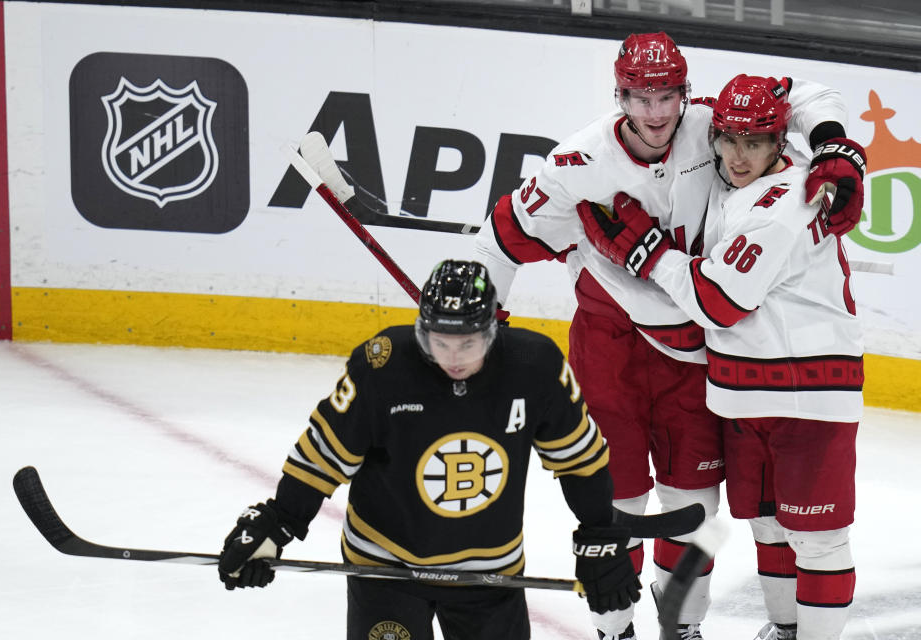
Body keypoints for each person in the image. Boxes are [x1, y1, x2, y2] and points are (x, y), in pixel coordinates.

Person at [473, 31, 865, 640]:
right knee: (618, 507)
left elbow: (806, 93)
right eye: (639, 98)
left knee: (698, 512)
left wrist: (834, 144)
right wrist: (481, 333)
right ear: (619, 96)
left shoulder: (717, 124)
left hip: (696, 358)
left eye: (667, 97)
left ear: (686, 94)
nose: (655, 114)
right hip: (611, 354)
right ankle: (616, 629)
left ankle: (681, 625)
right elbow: (499, 239)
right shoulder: (577, 164)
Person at [217, 259, 642, 640]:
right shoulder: (382, 367)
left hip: (489, 573)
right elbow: (322, 455)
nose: (453, 358)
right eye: (440, 343)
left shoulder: (535, 368)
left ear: (493, 332)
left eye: (467, 345)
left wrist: (599, 533)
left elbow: (580, 459)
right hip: (384, 566)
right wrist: (279, 521)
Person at [578, 74, 862, 640]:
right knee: (766, 523)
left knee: (818, 536)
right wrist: (833, 137)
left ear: (779, 143)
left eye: (753, 142)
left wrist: (646, 254)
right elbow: (806, 91)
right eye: (728, 139)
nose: (736, 155)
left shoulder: (788, 201)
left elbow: (720, 301)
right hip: (740, 393)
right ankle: (785, 629)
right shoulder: (735, 176)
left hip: (807, 396)